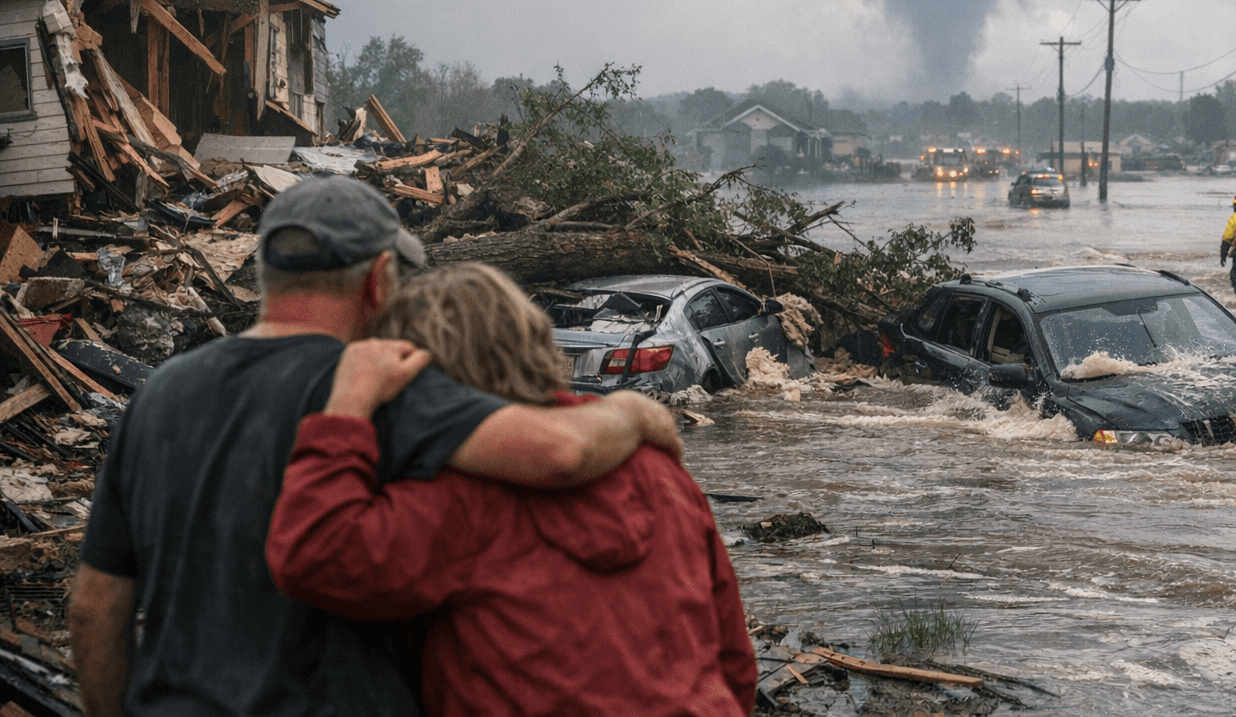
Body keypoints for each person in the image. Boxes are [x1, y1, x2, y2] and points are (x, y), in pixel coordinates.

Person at [69, 176, 683, 717]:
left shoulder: (161, 395)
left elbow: (95, 608)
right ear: (380, 279)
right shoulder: (382, 387)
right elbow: (560, 453)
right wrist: (633, 410)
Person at [266, 262, 756, 717]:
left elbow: (314, 550)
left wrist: (347, 406)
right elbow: (733, 655)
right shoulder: (657, 467)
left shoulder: (458, 497)